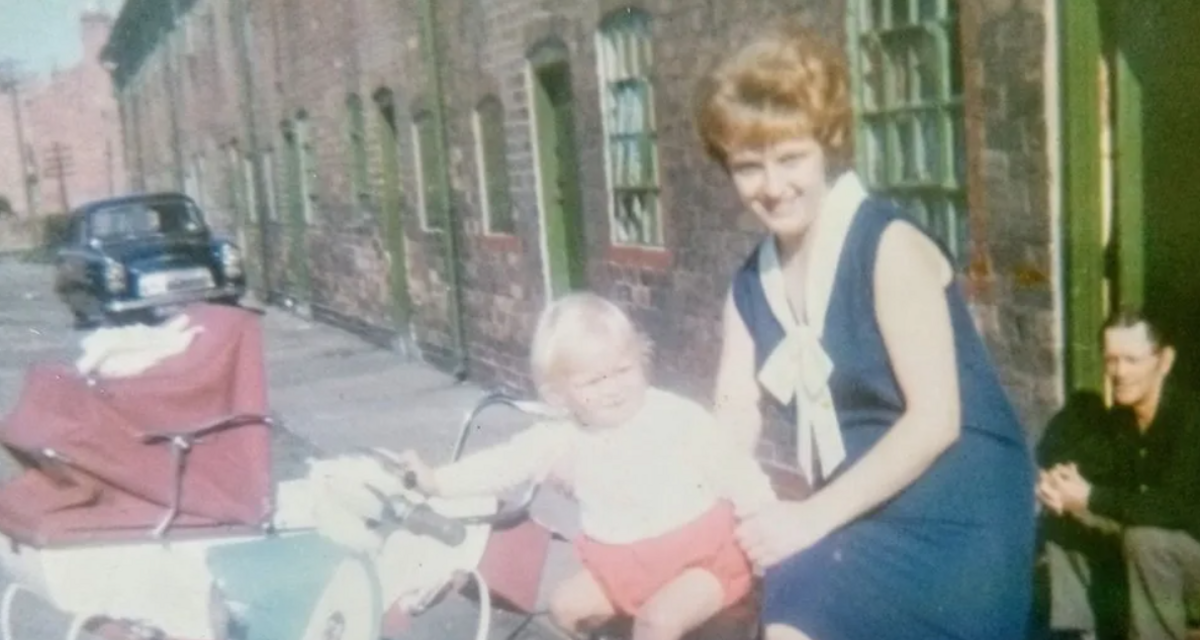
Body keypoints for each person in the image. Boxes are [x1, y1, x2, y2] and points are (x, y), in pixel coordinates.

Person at [695, 21, 1037, 640]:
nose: (773, 188)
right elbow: (733, 410)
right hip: (850, 509)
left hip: (955, 505)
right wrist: (716, 477)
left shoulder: (887, 246)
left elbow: (936, 421)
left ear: (827, 145)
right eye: (749, 168)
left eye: (791, 158)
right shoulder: (749, 288)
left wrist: (808, 520)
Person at [397, 292, 777, 640]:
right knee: (567, 607)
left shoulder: (672, 415)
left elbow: (731, 464)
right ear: (559, 395)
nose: (613, 388)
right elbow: (505, 462)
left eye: (623, 371)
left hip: (701, 557)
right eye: (594, 381)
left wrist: (766, 519)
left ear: (641, 361)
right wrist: (436, 481)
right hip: (624, 565)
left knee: (656, 623)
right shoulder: (562, 434)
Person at [1038, 307, 1200, 640]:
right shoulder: (1121, 420)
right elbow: (1086, 466)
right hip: (1159, 568)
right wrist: (1059, 484)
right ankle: (1085, 632)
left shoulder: (1190, 419)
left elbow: (1175, 508)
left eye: (1131, 360)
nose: (1119, 372)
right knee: (1071, 511)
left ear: (1164, 361)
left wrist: (1091, 496)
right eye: (1111, 360)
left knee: (1147, 539)